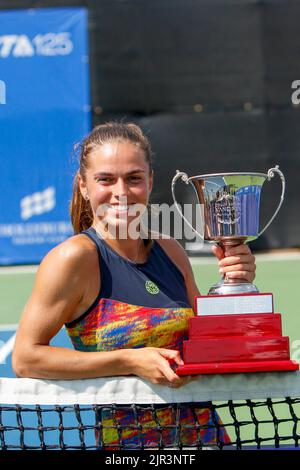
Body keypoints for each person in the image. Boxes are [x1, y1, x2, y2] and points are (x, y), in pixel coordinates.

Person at [12, 122, 256, 448]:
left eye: (134, 178)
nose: (121, 192)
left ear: (150, 181)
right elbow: (26, 358)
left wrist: (236, 284)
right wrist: (129, 360)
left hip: (207, 439)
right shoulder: (73, 258)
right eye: (106, 179)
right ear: (83, 185)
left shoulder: (170, 251)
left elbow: (212, 341)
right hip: (129, 447)